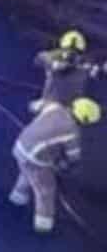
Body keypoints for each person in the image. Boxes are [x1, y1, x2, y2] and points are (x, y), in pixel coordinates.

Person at [10, 96, 100, 234]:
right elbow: (73, 157)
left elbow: (33, 105)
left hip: (20, 146)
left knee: (27, 174)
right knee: (46, 191)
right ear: (84, 120)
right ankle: (43, 229)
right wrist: (64, 166)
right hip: (35, 160)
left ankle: (16, 202)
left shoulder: (54, 107)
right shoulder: (72, 132)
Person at [31, 30, 103, 110]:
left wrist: (96, 70)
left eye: (75, 52)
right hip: (49, 105)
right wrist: (53, 62)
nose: (70, 54)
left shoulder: (86, 63)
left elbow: (98, 72)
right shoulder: (54, 56)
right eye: (67, 51)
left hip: (69, 109)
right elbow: (40, 58)